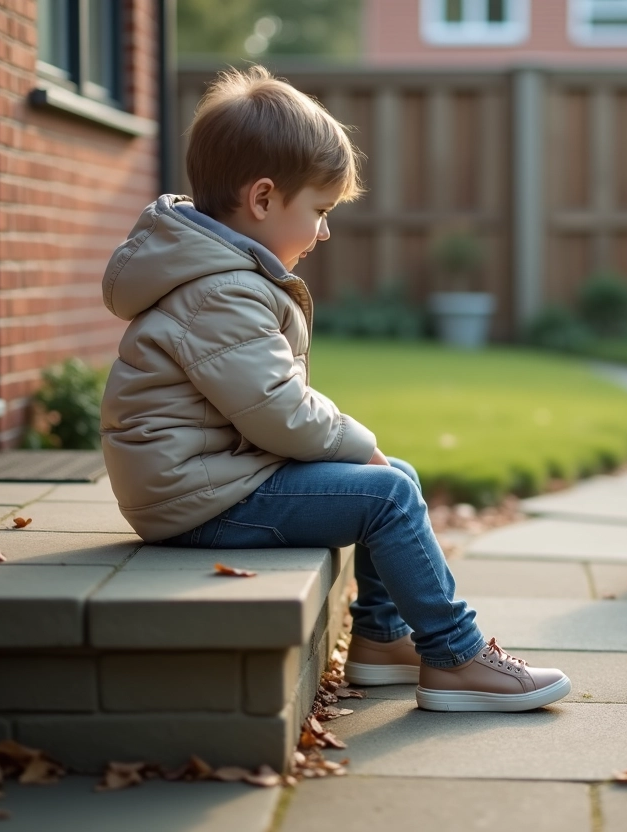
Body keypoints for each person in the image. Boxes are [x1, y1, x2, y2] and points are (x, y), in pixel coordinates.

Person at [99, 65, 570, 713]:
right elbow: (278, 413)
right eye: (318, 211)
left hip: (208, 481)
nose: (324, 232)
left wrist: (362, 451)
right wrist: (358, 442)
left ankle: (382, 641)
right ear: (262, 199)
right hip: (200, 500)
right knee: (387, 491)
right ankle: (457, 658)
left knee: (392, 478)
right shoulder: (221, 292)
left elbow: (269, 407)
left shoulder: (220, 274)